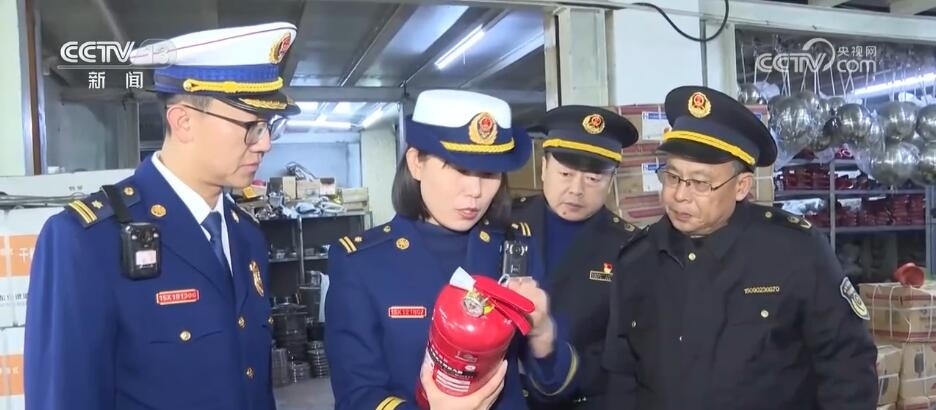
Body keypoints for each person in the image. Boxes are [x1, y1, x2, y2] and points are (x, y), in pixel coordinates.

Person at [24, 22, 300, 410]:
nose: (265, 143)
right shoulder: (87, 240)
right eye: (251, 126)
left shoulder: (247, 236)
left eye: (269, 126)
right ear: (183, 121)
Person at [601, 85, 878, 410]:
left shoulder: (794, 252)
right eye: (672, 177)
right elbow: (620, 376)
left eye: (700, 183)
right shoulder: (638, 259)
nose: (679, 195)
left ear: (741, 187)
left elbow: (848, 367)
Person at [324, 89, 580, 410]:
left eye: (489, 174)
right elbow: (356, 396)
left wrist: (543, 334)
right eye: (458, 168)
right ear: (416, 163)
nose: (475, 191)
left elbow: (556, 388)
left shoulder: (515, 248)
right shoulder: (361, 264)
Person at [512, 105, 639, 410]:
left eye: (593, 179)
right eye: (565, 174)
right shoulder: (505, 224)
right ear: (544, 167)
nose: (576, 190)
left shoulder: (630, 248)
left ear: (611, 180)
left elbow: (626, 352)